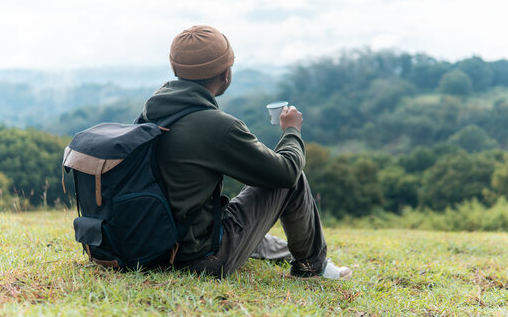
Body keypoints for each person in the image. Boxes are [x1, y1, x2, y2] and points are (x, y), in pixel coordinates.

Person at [138, 25, 351, 279]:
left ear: (176, 70)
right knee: (291, 179)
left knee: (235, 214)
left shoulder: (150, 114)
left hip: (153, 248)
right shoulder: (217, 126)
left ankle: (286, 251)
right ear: (226, 73)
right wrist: (292, 131)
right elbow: (286, 174)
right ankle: (312, 267)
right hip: (200, 259)